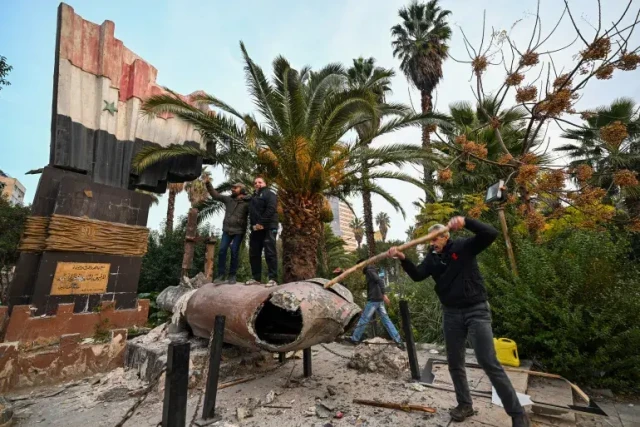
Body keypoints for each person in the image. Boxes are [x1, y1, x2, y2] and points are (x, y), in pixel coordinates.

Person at [388, 217, 530, 427]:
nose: (431, 243)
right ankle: (465, 404)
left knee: (488, 361)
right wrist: (402, 258)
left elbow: (490, 234)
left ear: (446, 237)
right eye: (430, 241)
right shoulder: (432, 258)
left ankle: (518, 414)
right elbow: (418, 275)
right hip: (451, 313)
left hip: (476, 310)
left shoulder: (463, 247)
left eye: (435, 239)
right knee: (455, 362)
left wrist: (466, 221)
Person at [348, 260, 405, 350]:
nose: (358, 269)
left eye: (358, 266)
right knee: (386, 320)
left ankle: (355, 338)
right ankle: (398, 341)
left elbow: (380, 281)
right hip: (379, 300)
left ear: (362, 264)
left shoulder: (369, 271)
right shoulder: (372, 270)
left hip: (374, 300)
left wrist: (384, 294)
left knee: (364, 319)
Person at [205, 180, 250, 284]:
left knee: (234, 251)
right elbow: (215, 195)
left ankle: (232, 275)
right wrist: (208, 184)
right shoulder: (228, 199)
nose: (232, 189)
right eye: (232, 188)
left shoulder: (247, 203)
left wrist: (251, 197)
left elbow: (256, 208)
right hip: (227, 230)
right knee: (222, 250)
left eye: (235, 188)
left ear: (242, 190)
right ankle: (221, 275)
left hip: (239, 231)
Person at [246, 176, 279, 287]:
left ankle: (273, 278)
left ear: (265, 183)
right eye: (255, 182)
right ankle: (256, 278)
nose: (257, 184)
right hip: (256, 229)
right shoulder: (253, 197)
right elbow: (251, 213)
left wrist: (261, 223)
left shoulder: (270, 194)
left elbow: (271, 209)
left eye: (260, 182)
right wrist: (253, 226)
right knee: (254, 253)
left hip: (269, 227)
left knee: (270, 252)